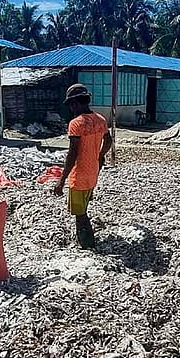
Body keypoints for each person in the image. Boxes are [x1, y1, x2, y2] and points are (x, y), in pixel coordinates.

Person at [51, 83, 112, 248]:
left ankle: (88, 244)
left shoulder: (76, 124)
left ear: (75, 103)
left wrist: (61, 180)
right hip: (93, 172)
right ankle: (86, 242)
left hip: (79, 176)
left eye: (71, 105)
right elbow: (108, 140)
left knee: (80, 214)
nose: (71, 108)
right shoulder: (101, 120)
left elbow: (72, 154)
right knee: (83, 206)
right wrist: (100, 155)